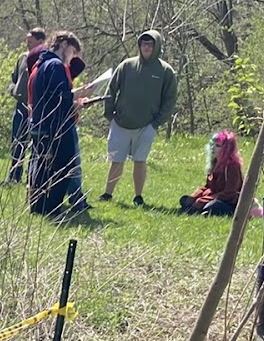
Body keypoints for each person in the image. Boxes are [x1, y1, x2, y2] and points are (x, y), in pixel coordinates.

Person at [101, 29, 178, 206]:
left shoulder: (166, 71)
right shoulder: (127, 66)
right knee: (116, 160)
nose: (146, 47)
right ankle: (107, 194)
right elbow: (111, 90)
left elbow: (170, 100)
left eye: (150, 44)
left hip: (146, 126)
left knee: (140, 160)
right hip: (120, 123)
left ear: (157, 46)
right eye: (143, 44)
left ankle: (138, 196)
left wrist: (156, 123)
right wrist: (109, 113)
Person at [28, 31, 87, 219]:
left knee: (43, 167)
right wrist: (77, 98)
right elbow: (59, 97)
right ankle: (52, 208)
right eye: (72, 52)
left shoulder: (42, 64)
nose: (71, 58)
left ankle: (38, 207)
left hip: (41, 125)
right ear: (63, 45)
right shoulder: (55, 65)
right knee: (65, 166)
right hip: (56, 127)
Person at [7, 27, 46, 184]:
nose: (27, 44)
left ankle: (33, 177)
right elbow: (14, 78)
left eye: (31, 42)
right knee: (17, 141)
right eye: (27, 41)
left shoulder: (44, 61)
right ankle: (14, 175)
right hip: (21, 106)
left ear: (41, 42)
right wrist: (13, 90)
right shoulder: (22, 58)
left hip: (36, 108)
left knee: (36, 144)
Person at [179, 129, 243, 217]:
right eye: (212, 144)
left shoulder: (232, 166)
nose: (213, 148)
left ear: (226, 149)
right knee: (185, 199)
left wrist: (204, 200)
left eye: (217, 146)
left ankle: (199, 210)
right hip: (213, 197)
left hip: (228, 202)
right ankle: (196, 209)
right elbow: (208, 186)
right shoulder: (214, 163)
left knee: (213, 206)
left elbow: (230, 192)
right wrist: (194, 196)